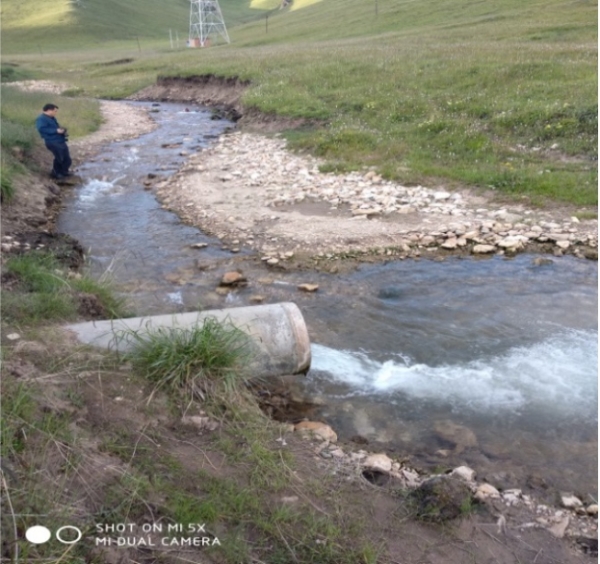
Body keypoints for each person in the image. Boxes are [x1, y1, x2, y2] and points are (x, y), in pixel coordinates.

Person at [35, 103, 73, 180]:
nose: (56, 113)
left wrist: (62, 130)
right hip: (52, 141)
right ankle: (56, 173)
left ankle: (64, 171)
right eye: (55, 111)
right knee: (59, 158)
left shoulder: (52, 118)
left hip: (60, 140)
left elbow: (56, 127)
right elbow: (42, 129)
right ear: (49, 110)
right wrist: (56, 131)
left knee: (67, 158)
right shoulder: (41, 119)